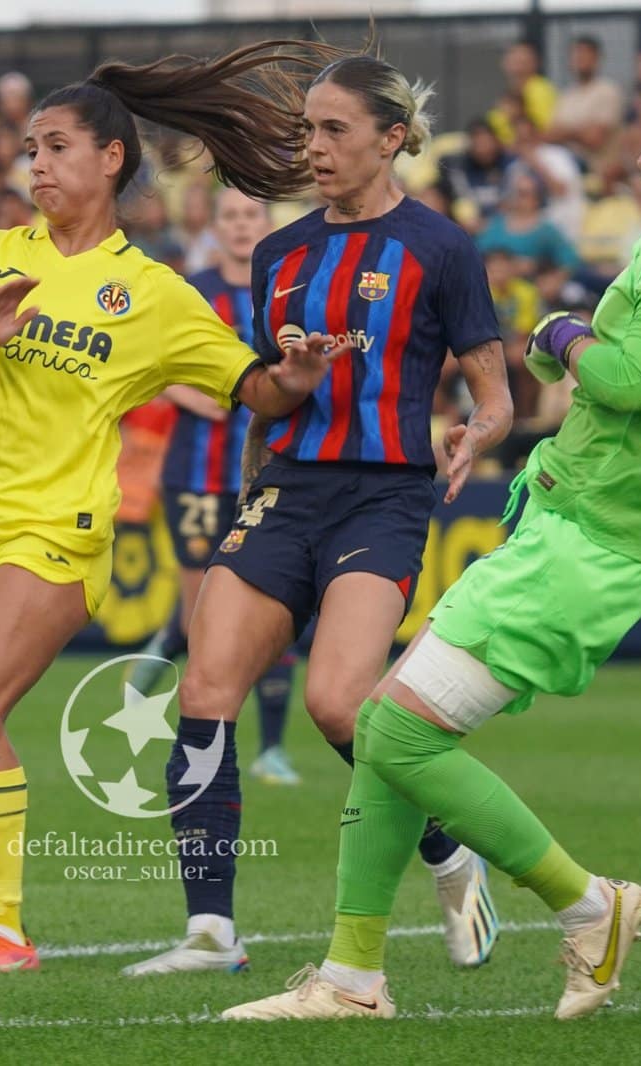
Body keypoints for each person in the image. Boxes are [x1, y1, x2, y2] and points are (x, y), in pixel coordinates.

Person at [223, 49, 641, 1024]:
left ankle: (585, 903)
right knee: (397, 725)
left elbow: (621, 381)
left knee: (389, 727)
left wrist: (560, 328)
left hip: (587, 534)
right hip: (619, 540)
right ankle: (352, 976)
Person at [0, 40, 351, 975]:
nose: (36, 165)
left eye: (53, 147)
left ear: (110, 158)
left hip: (54, 531)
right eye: (30, 150)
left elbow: (253, 390)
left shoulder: (156, 295)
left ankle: (6, 933)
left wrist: (292, 376)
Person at [122, 53, 514, 981]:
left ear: (391, 138)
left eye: (336, 129)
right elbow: (266, 393)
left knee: (340, 702)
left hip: (384, 493)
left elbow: (495, 394)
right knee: (204, 688)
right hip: (287, 487)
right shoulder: (279, 254)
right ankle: (210, 933)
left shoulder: (441, 249)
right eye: (309, 129)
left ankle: (446, 854)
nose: (316, 146)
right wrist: (286, 382)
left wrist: (474, 432)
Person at [127, 187, 303, 788]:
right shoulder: (193, 288)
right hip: (197, 478)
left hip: (271, 476)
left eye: (250, 214)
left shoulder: (288, 287)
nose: (239, 224)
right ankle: (188, 734)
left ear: (266, 222)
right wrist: (198, 395)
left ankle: (271, 749)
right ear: (215, 226)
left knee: (275, 608)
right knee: (205, 614)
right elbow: (149, 363)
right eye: (228, 214)